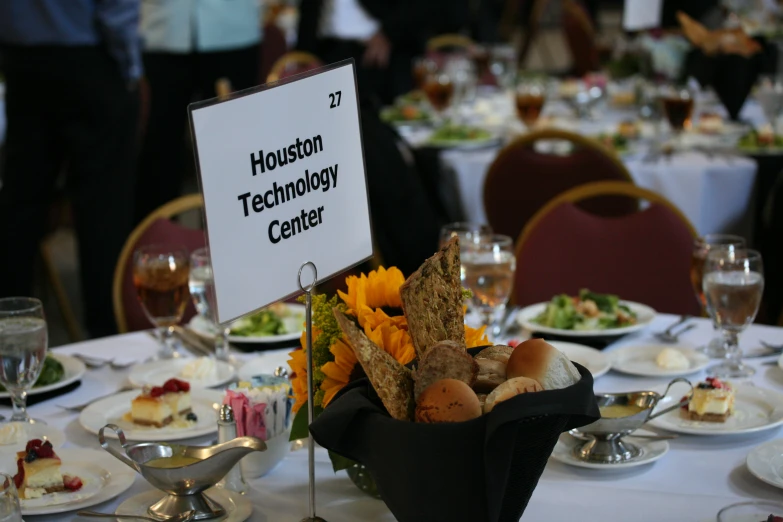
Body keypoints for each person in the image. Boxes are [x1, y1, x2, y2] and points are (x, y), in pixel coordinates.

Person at [0, 0, 141, 338]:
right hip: (89, 57)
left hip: (23, 60)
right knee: (102, 213)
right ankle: (108, 337)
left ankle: (11, 339)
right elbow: (116, 11)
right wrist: (131, 66)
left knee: (20, 208)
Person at [135, 0, 262, 222]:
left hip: (233, 30)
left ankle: (236, 243)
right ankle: (160, 247)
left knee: (234, 156)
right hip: (162, 29)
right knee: (158, 152)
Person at [297, 0, 469, 106]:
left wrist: (388, 33)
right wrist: (304, 55)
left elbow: (422, 6)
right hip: (325, 51)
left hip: (379, 53)